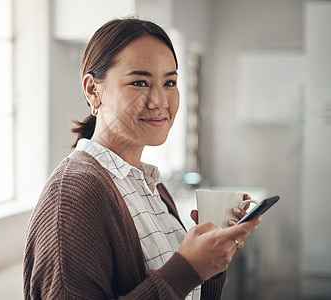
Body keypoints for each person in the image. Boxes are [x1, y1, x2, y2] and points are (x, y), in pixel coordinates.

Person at [23, 17, 261, 300]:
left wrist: (211, 261)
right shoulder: (74, 195)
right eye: (139, 82)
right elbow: (178, 279)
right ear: (92, 90)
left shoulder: (150, 185)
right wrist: (187, 269)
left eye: (170, 82)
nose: (159, 101)